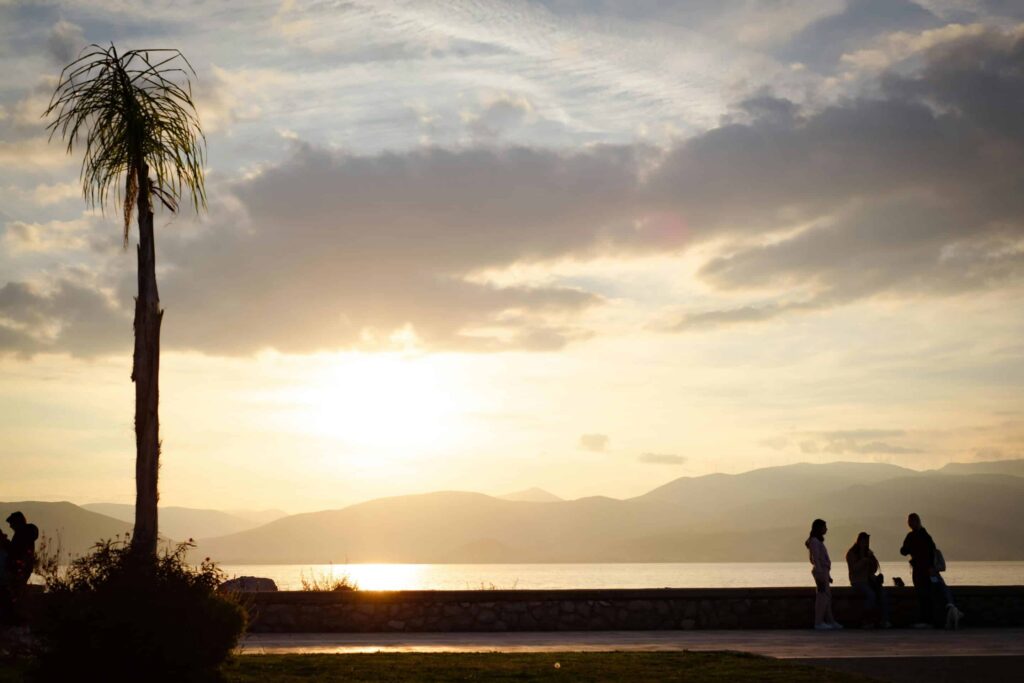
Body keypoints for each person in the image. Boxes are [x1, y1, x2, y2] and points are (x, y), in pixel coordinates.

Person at [899, 512, 944, 628]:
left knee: (924, 594)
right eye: (909, 522)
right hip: (923, 569)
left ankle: (927, 619)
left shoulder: (919, 536)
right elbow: (904, 551)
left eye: (911, 521)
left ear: (916, 521)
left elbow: (904, 551)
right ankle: (929, 619)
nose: (909, 524)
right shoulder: (924, 536)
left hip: (923, 570)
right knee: (925, 594)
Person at [0, 511, 39, 625]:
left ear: (17, 522)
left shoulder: (21, 534)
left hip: (18, 570)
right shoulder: (25, 534)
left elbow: (15, 551)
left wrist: (4, 542)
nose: (10, 527)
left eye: (11, 524)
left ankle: (13, 619)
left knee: (13, 594)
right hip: (22, 569)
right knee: (15, 594)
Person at [846, 532, 890, 628]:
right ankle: (866, 620)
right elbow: (853, 569)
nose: (866, 543)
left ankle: (884, 620)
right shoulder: (851, 553)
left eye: (867, 541)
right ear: (859, 541)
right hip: (857, 581)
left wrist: (872, 559)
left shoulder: (868, 552)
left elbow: (874, 569)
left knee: (883, 593)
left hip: (869, 580)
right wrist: (864, 560)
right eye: (864, 541)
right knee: (871, 595)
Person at [806, 518, 842, 630]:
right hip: (820, 571)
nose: (826, 529)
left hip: (823, 571)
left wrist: (828, 575)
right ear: (819, 528)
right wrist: (821, 572)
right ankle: (819, 622)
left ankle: (830, 621)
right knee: (822, 597)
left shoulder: (817, 541)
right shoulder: (815, 542)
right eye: (824, 527)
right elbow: (816, 558)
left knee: (826, 596)